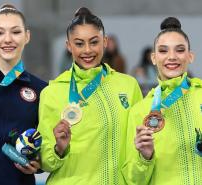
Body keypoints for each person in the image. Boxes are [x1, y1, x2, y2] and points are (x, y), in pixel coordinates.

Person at [38, 7, 142, 185]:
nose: (87, 50)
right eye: (79, 44)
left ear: (105, 42)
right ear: (69, 46)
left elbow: (139, 148)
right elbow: (45, 161)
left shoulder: (128, 85)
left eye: (94, 42)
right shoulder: (52, 92)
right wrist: (58, 149)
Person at [121, 17, 202, 185]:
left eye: (180, 50)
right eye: (163, 51)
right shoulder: (141, 111)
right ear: (153, 58)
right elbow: (133, 181)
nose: (171, 57)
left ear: (190, 56)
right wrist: (145, 157)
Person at [0, 4, 47, 185]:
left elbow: (46, 145)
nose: (7, 39)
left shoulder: (42, 90)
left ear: (27, 36)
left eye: (15, 32)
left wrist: (38, 164)